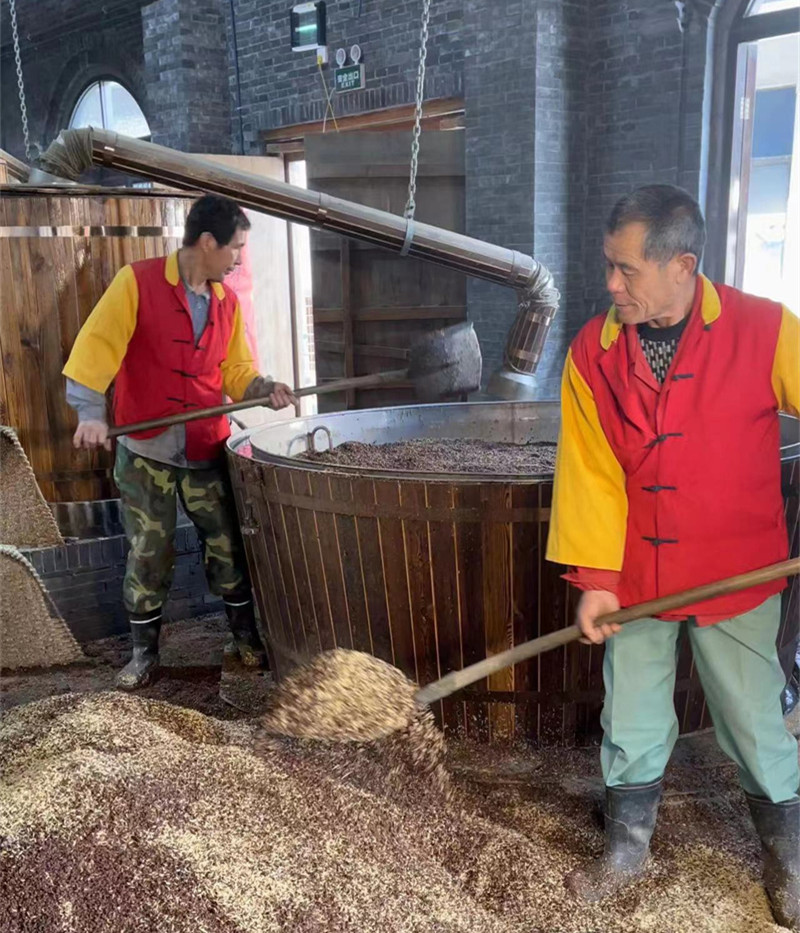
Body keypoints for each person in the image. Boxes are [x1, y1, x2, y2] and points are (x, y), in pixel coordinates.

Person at [546, 184, 799, 928]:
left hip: (737, 573)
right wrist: (596, 580)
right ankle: (626, 852)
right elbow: (589, 470)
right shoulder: (594, 351)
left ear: (682, 265)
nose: (611, 283)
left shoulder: (766, 330)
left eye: (626, 269)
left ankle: (789, 862)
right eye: (609, 265)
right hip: (637, 579)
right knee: (631, 717)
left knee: (754, 723)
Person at [63, 194, 296, 690]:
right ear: (207, 242)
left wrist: (264, 388)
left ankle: (245, 638)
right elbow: (96, 347)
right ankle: (144, 655)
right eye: (236, 247)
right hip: (145, 450)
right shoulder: (137, 282)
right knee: (149, 550)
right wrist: (90, 414)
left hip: (206, 447)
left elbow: (236, 370)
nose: (239, 258)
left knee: (228, 546)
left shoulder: (226, 302)